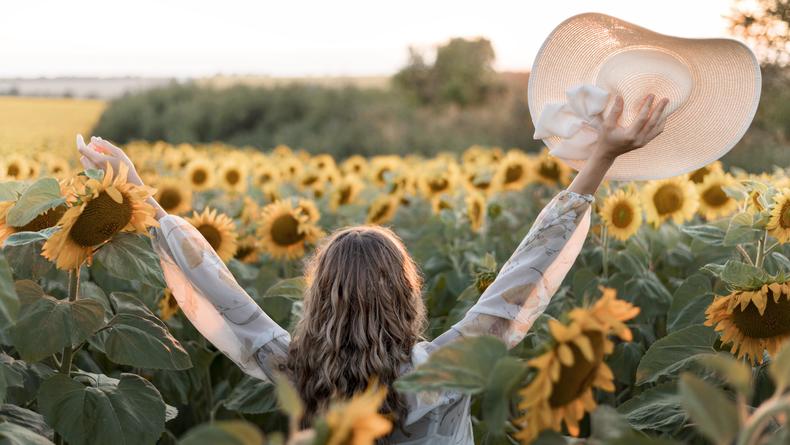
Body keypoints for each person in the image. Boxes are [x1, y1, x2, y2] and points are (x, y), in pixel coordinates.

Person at [77, 94, 668, 444]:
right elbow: (520, 282)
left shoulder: (293, 374)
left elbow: (222, 293)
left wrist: (141, 199)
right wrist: (599, 161)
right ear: (408, 296)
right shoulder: (441, 371)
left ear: (318, 300)